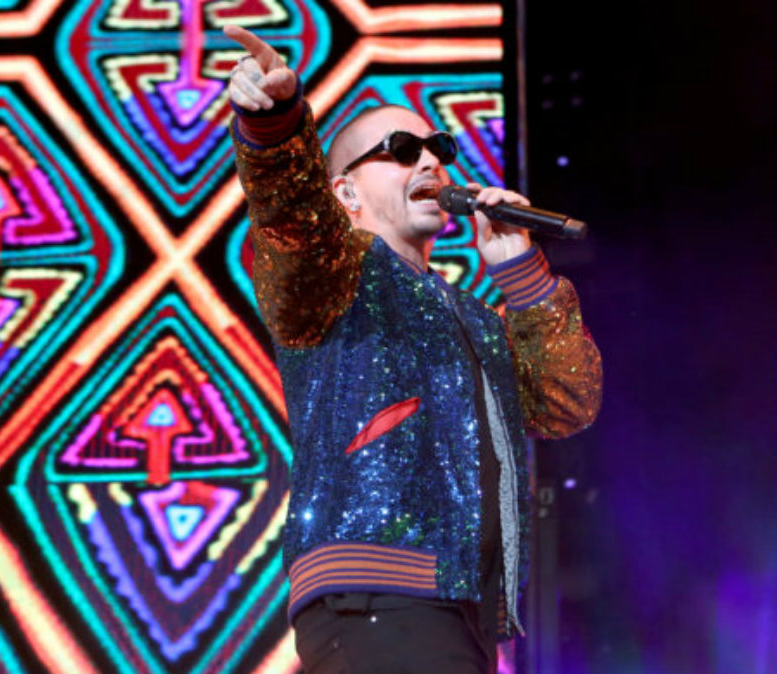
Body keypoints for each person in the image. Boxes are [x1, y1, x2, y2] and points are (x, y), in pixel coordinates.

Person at [223, 25, 603, 674]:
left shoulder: (472, 317)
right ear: (345, 193)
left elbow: (566, 402)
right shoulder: (336, 276)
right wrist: (275, 126)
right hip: (375, 593)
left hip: (459, 608)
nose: (429, 162)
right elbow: (291, 215)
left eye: (437, 148)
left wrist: (521, 273)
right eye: (400, 150)